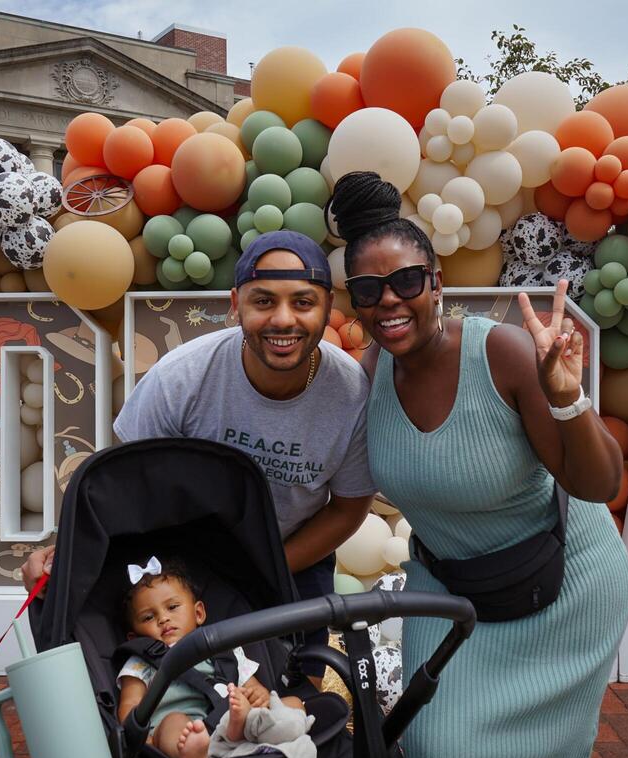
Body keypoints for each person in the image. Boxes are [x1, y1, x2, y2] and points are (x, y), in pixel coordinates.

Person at [328, 172, 628, 758]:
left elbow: (598, 483)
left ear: (436, 283)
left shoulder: (504, 354)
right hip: (449, 591)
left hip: (562, 588)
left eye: (407, 281)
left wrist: (569, 399)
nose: (390, 301)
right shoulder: (368, 376)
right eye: (368, 289)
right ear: (354, 300)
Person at [23, 230, 376, 681]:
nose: (283, 320)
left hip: (294, 554)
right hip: (182, 561)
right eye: (263, 301)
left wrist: (267, 567)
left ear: (328, 305)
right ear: (236, 303)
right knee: (159, 691)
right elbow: (125, 493)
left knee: (298, 691)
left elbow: (348, 508)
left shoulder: (351, 396)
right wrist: (65, 559)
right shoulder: (181, 380)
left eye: (303, 302)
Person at [115, 556, 312, 758]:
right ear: (134, 636)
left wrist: (258, 697)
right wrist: (143, 739)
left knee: (294, 703)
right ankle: (191, 756)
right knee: (172, 723)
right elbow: (129, 707)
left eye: (172, 607)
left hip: (235, 720)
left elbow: (255, 688)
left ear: (198, 613)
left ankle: (271, 733)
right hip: (185, 729)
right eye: (149, 617)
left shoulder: (224, 649)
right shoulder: (141, 661)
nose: (164, 618)